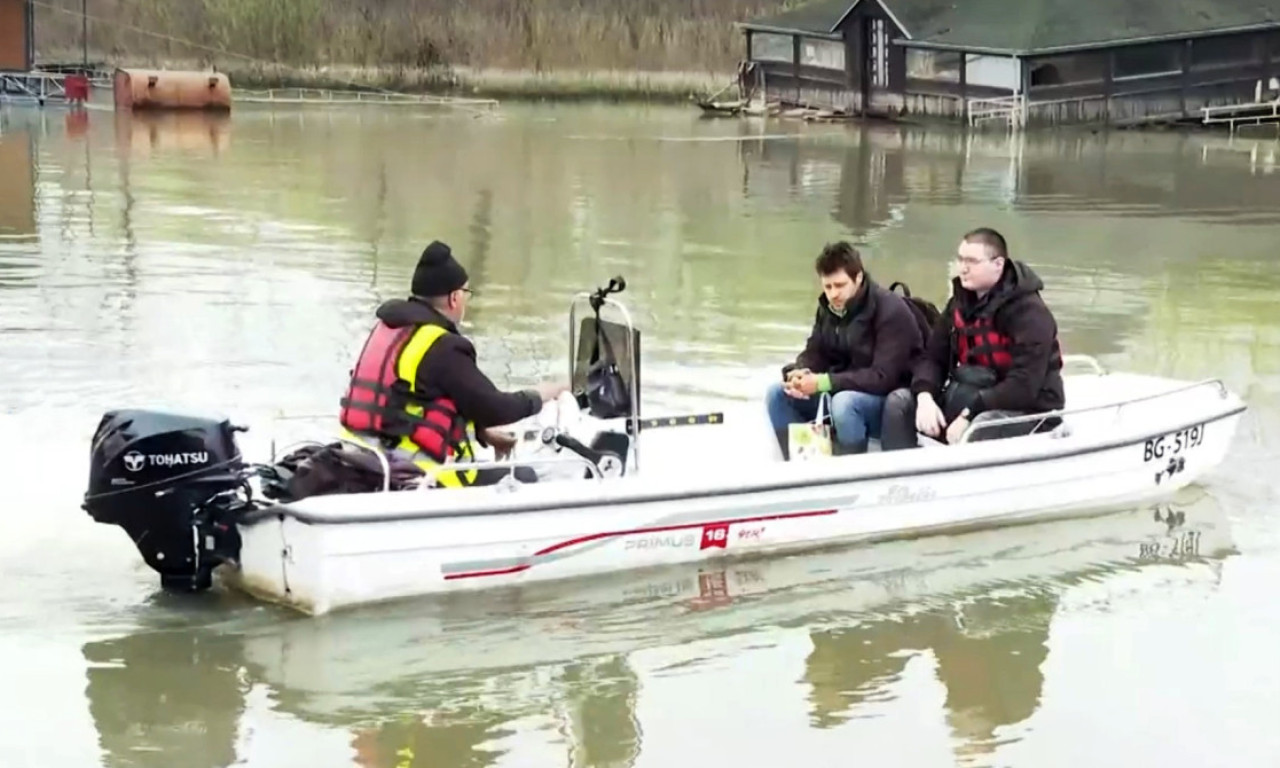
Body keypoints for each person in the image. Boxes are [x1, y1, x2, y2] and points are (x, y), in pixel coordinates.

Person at [338, 240, 568, 486]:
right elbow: (496, 408)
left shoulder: (389, 328)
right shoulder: (443, 346)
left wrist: (482, 433)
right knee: (524, 477)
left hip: (359, 461)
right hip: (412, 476)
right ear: (455, 298)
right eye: (466, 293)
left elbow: (408, 400)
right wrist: (542, 394)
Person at [880, 227, 1065, 450]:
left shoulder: (1030, 314)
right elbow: (932, 358)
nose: (963, 268)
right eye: (960, 260)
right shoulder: (958, 304)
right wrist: (925, 397)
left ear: (998, 264)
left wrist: (969, 413)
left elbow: (1024, 385)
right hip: (969, 396)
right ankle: (901, 474)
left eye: (972, 261)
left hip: (1027, 409)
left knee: (981, 427)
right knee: (898, 403)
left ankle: (964, 479)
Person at [767, 241, 925, 457]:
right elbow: (816, 350)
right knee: (777, 394)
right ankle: (799, 464)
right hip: (844, 388)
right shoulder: (829, 308)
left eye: (840, 286)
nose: (833, 294)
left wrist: (823, 382)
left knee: (844, 404)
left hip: (887, 400)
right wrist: (802, 371)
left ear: (858, 277)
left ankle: (848, 468)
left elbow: (883, 377)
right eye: (828, 287)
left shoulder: (890, 310)